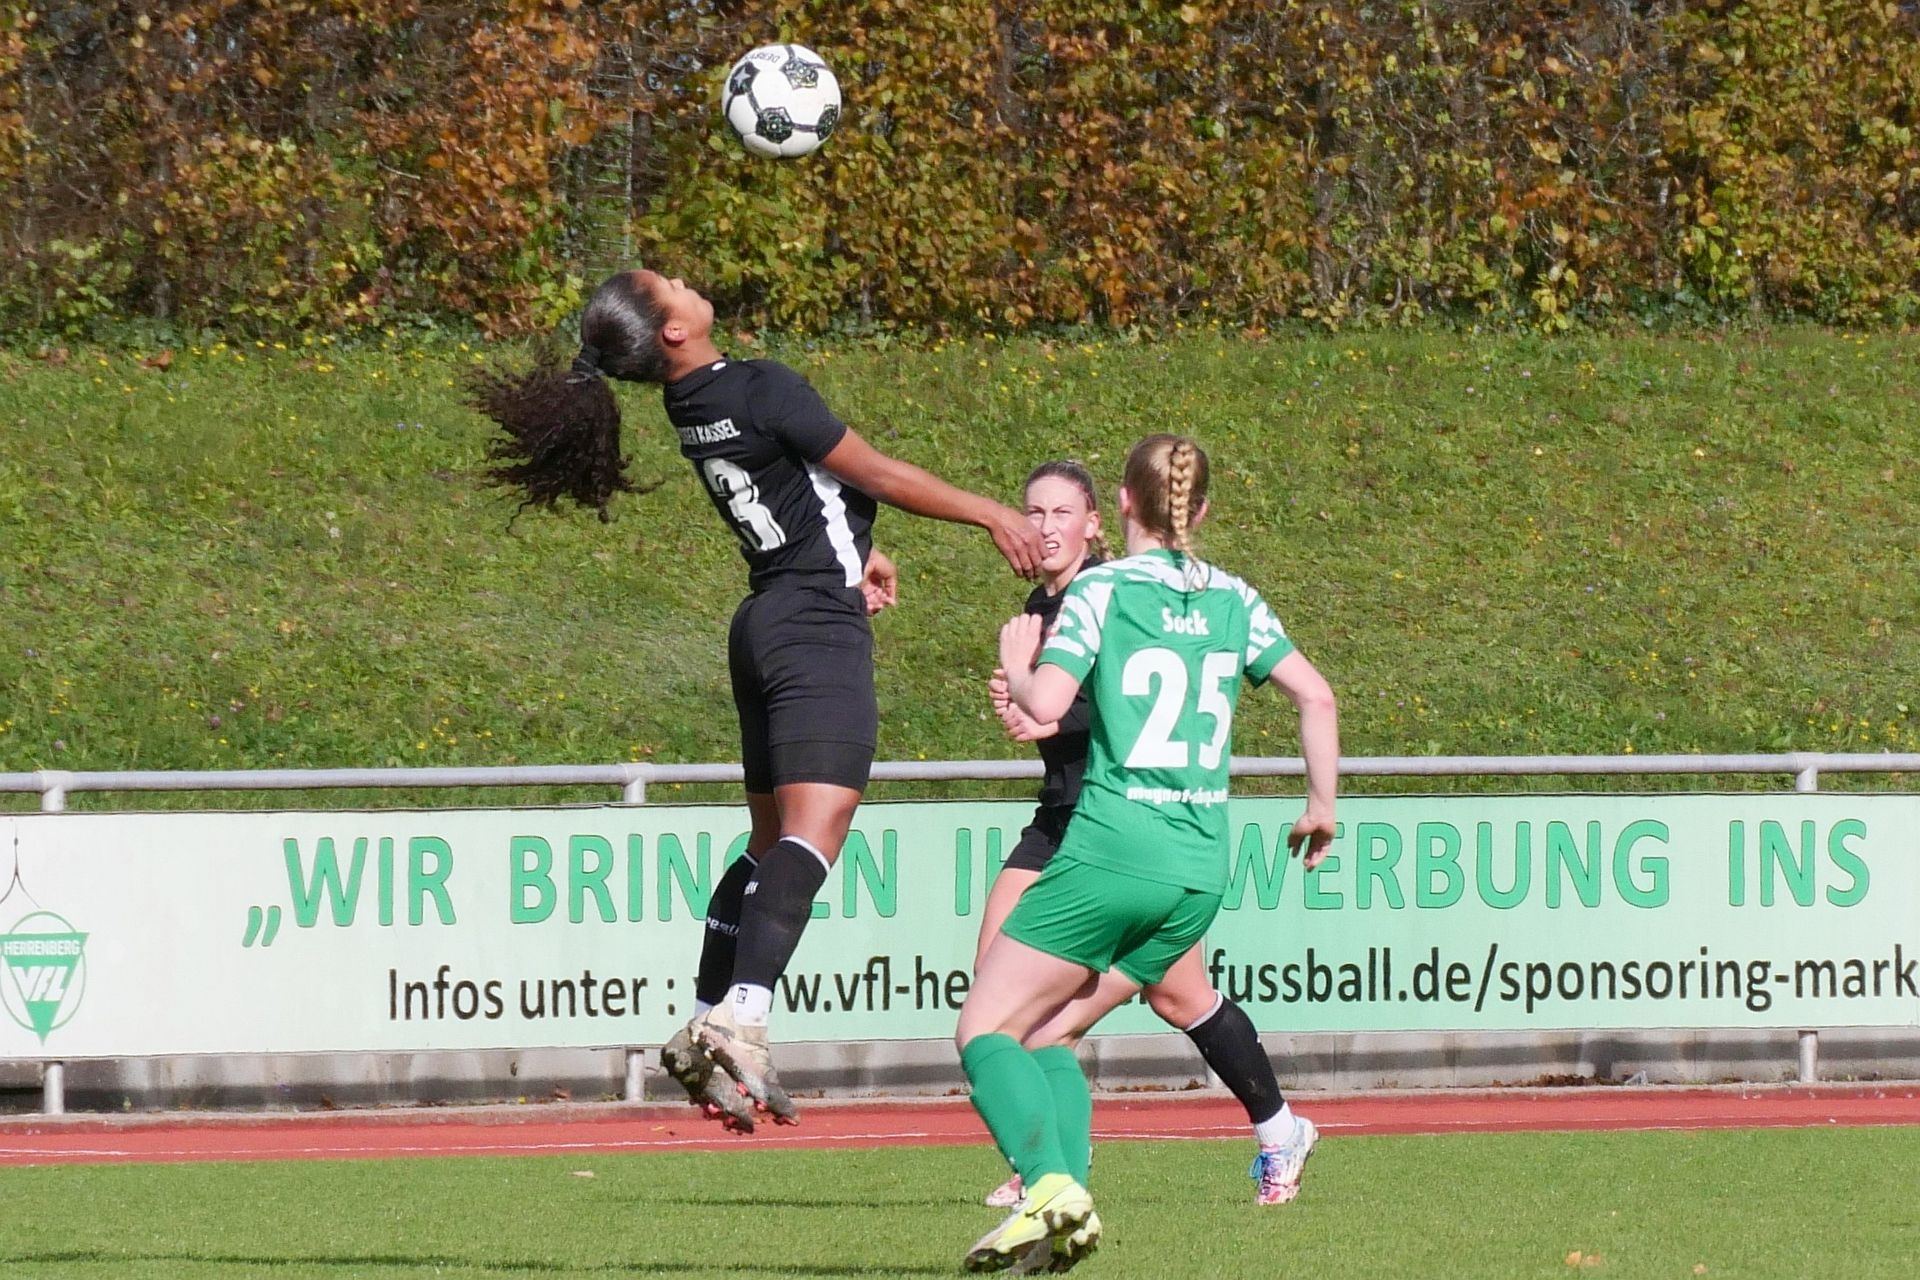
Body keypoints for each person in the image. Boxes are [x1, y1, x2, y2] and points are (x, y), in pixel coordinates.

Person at [473, 269, 1044, 1132]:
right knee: (817, 831)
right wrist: (993, 514)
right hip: (812, 623)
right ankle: (742, 1017)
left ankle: (708, 1013)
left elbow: (787, 486)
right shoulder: (761, 386)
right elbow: (876, 471)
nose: (685, 281)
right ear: (672, 331)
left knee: (769, 842)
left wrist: (853, 548)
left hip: (767, 616)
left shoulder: (692, 402)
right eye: (669, 284)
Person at [955, 434, 1338, 1273]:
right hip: (1199, 870)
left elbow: (1049, 700)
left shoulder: (1101, 591)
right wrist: (1321, 805)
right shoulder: (1237, 597)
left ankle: (1050, 1186)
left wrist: (1018, 667)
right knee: (1047, 1030)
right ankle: (1060, 1198)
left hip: (1112, 849)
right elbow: (1316, 696)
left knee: (984, 1027)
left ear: (1119, 504)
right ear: (1201, 509)